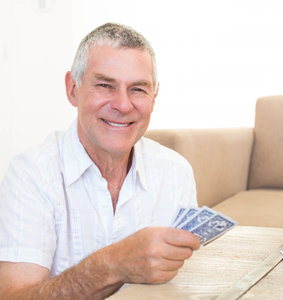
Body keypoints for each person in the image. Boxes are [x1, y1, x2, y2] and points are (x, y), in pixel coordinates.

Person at [0, 23, 201, 299]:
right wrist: (112, 264)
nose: (122, 104)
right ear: (73, 89)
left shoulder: (176, 173)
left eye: (138, 89)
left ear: (155, 96)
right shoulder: (30, 175)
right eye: (105, 85)